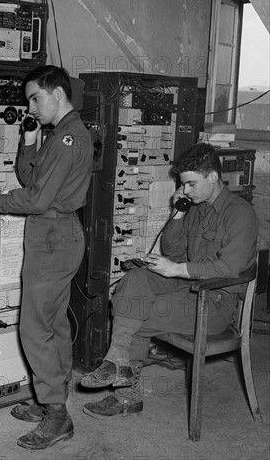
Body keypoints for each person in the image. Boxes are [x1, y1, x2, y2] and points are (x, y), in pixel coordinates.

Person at [80, 143, 258, 418]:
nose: (185, 191)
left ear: (212, 176)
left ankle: (126, 394)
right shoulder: (197, 207)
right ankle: (116, 362)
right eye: (183, 184)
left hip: (214, 303)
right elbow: (174, 252)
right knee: (137, 278)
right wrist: (180, 213)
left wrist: (176, 270)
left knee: (136, 313)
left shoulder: (240, 213)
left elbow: (230, 267)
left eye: (190, 184)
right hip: (188, 287)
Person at [0, 65, 93, 450]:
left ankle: (56, 416)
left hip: (54, 236)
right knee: (53, 324)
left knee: (34, 328)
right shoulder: (58, 136)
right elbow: (31, 180)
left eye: (35, 98)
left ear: (57, 93)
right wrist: (28, 140)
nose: (32, 107)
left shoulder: (69, 138)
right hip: (52, 235)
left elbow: (36, 200)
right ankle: (51, 401)